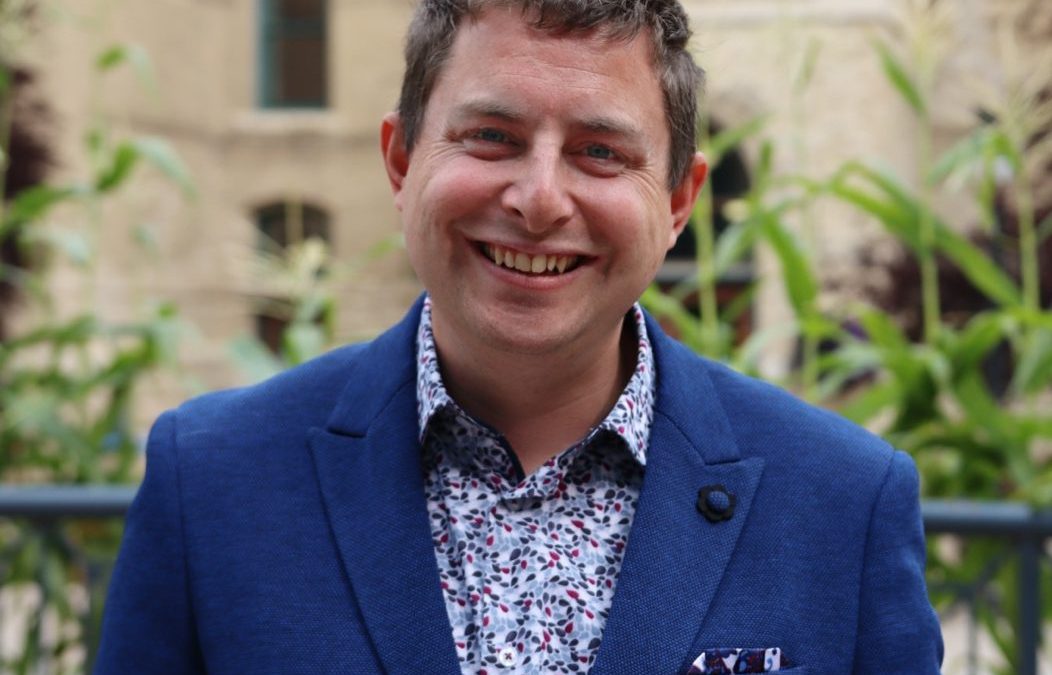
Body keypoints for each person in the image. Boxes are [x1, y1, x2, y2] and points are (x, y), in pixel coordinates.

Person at [95, 1, 944, 673]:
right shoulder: (210, 481)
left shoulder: (843, 502)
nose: (539, 200)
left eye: (601, 152)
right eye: (492, 137)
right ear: (400, 162)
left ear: (680, 200)